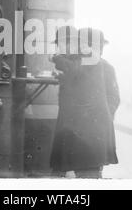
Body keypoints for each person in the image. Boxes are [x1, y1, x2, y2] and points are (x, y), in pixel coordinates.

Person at [50, 26, 119, 178]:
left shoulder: (99, 65)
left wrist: (102, 115)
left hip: (90, 130)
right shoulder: (83, 63)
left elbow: (113, 97)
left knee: (89, 171)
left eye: (99, 46)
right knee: (87, 170)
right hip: (83, 129)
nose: (98, 49)